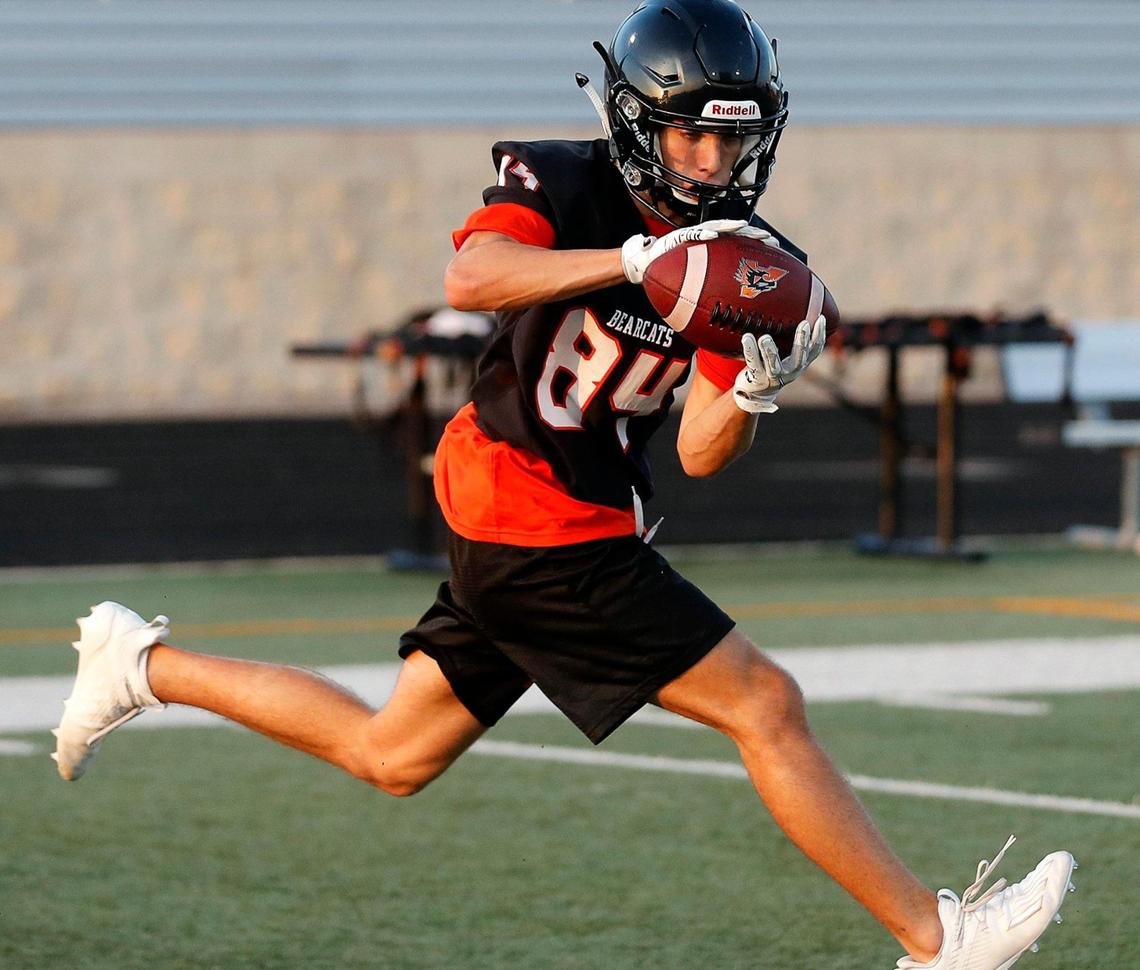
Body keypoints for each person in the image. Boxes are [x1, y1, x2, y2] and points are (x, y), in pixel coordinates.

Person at [52, 2, 1076, 966]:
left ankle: (139, 663)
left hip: (566, 512)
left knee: (391, 751)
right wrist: (630, 259)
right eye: (688, 136)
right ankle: (940, 940)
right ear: (635, 121)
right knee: (767, 702)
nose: (713, 160)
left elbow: (700, 453)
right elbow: (473, 278)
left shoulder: (747, 262)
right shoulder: (562, 180)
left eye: (732, 137)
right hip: (526, 504)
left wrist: (756, 388)